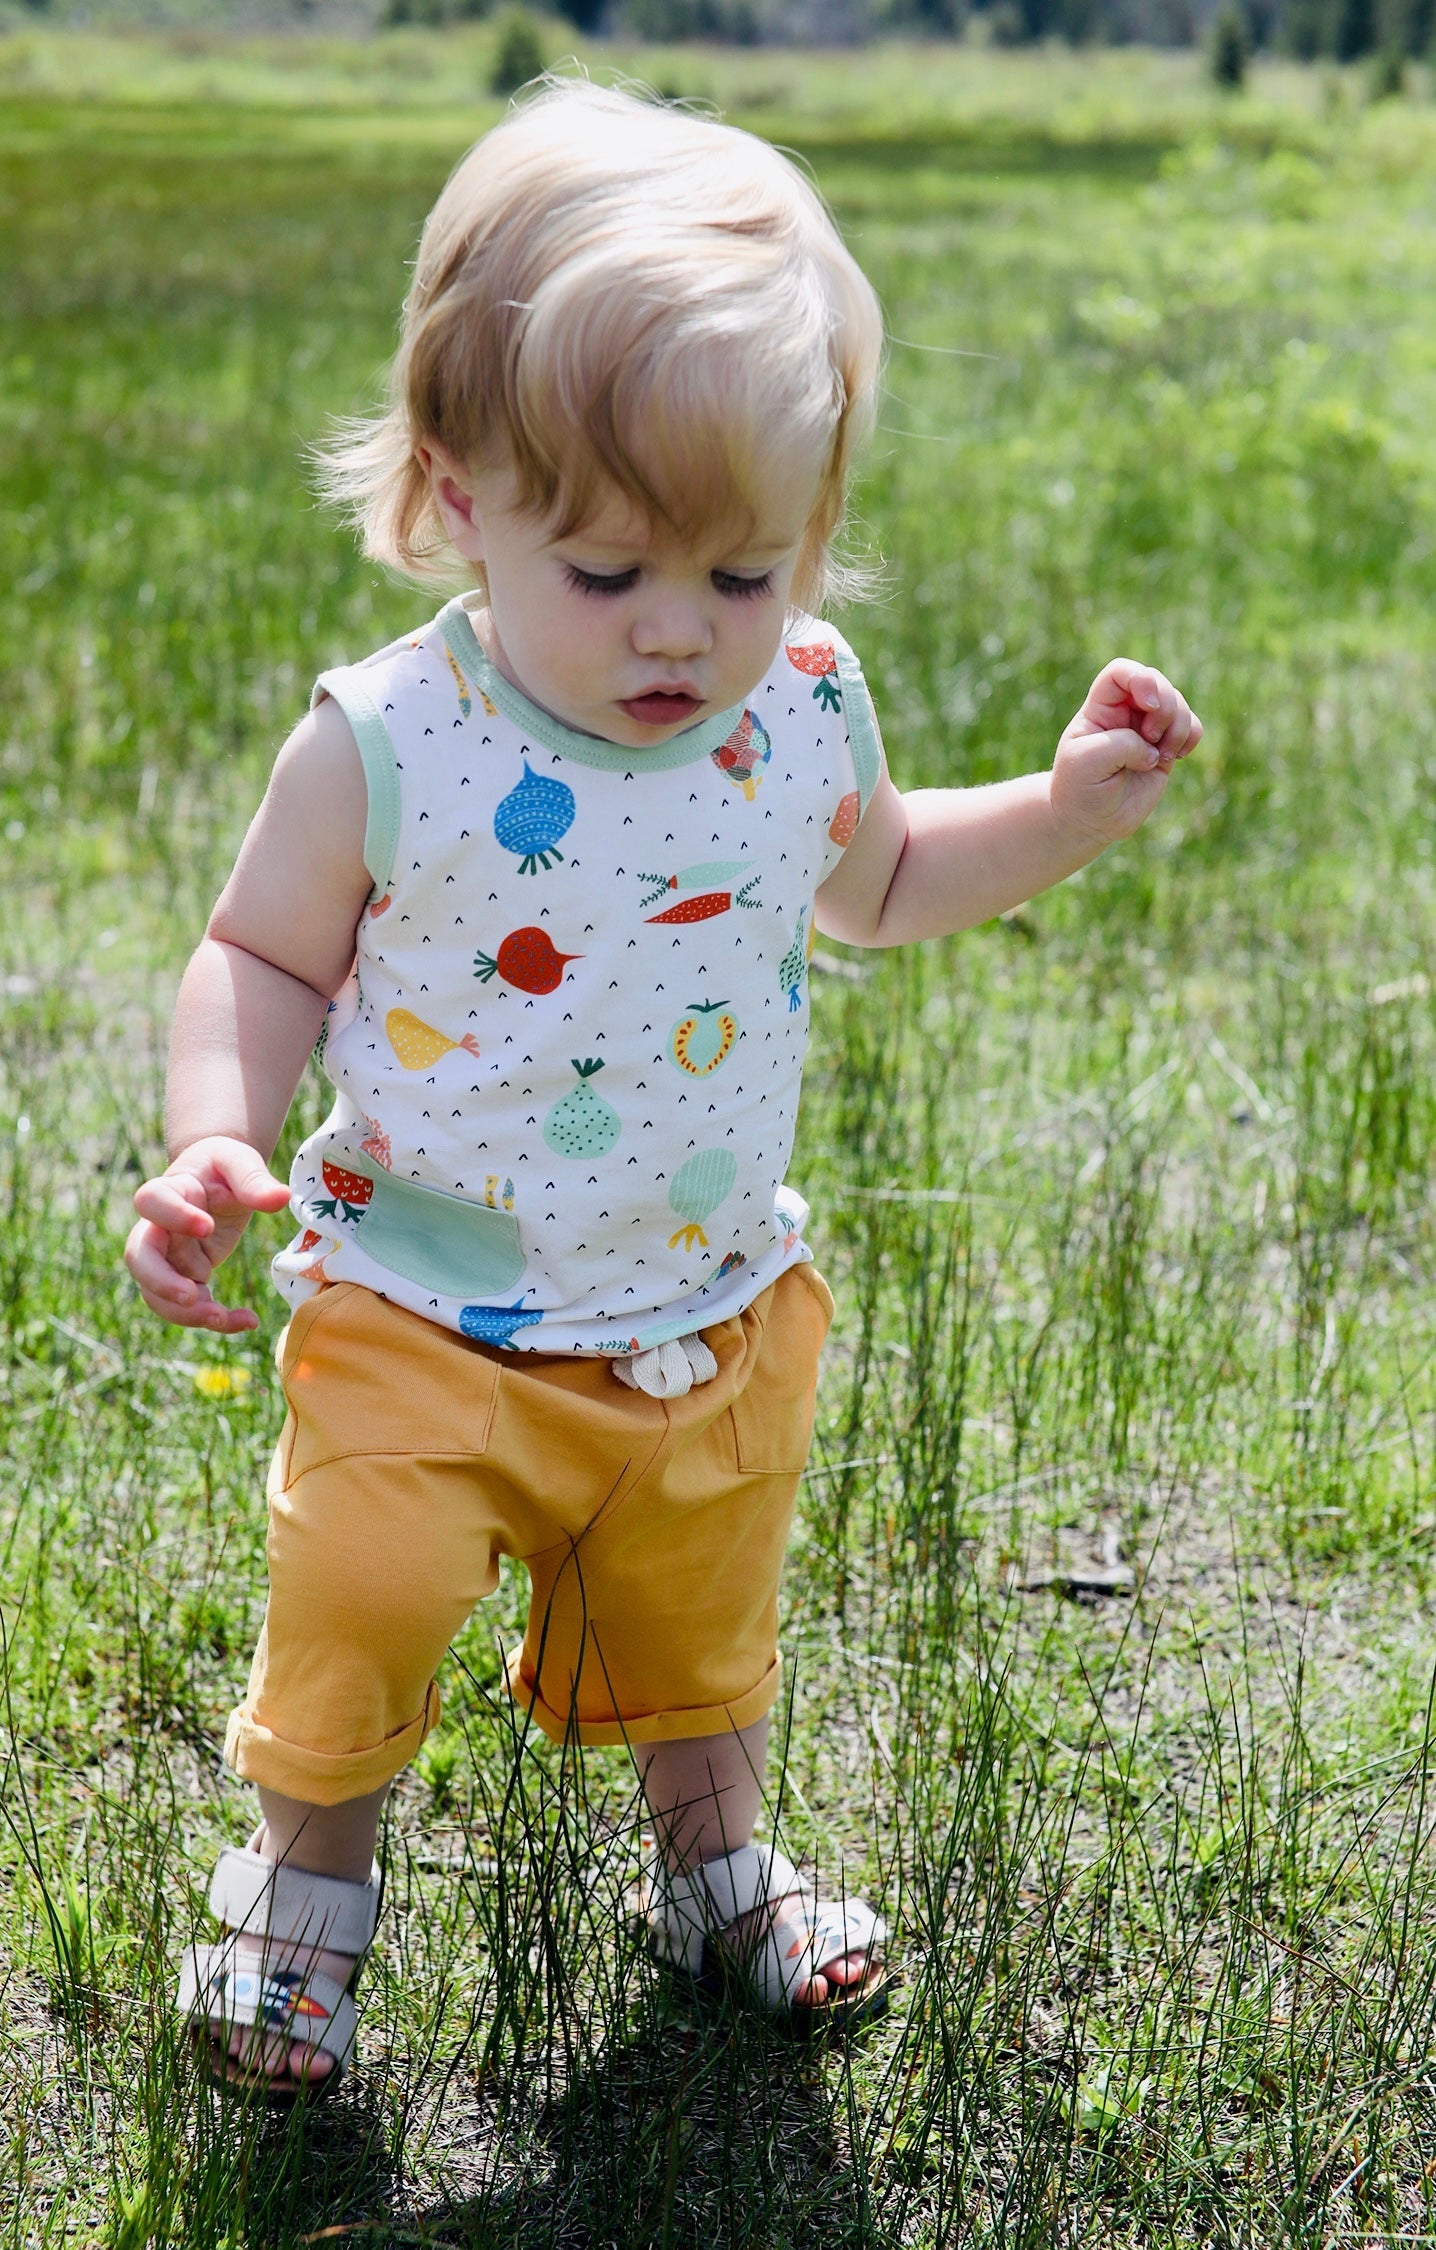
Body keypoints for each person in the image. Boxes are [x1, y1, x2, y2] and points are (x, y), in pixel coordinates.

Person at [125, 78, 1201, 2096]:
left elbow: (879, 881)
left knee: (702, 1632)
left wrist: (1061, 809)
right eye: (612, 572)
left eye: (744, 567)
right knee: (360, 1600)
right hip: (415, 1309)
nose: (681, 633)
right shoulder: (391, 739)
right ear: (458, 497)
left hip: (700, 1305)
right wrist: (216, 1128)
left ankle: (717, 1876)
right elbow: (262, 954)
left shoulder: (799, 706)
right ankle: (299, 1905)